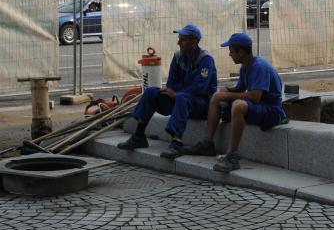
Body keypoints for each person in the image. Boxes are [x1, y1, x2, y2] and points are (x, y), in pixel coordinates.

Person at [187, 32, 288, 172]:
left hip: (271, 110)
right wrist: (225, 90)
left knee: (238, 105)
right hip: (258, 107)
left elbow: (255, 97)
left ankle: (232, 156)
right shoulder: (245, 67)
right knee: (217, 97)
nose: (229, 54)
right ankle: (207, 143)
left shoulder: (259, 67)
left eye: (231, 51)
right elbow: (240, 89)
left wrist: (228, 96)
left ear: (241, 52)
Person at [117, 24, 217, 159]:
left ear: (194, 42)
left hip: (201, 104)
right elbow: (171, 84)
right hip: (180, 99)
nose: (178, 42)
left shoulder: (205, 60)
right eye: (179, 39)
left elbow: (200, 88)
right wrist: (175, 93)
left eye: (182, 40)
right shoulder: (178, 57)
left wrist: (177, 93)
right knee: (151, 92)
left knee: (182, 97)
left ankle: (176, 143)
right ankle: (139, 136)